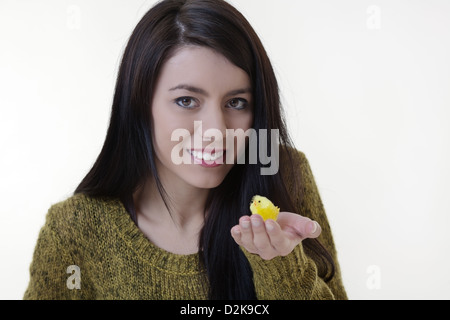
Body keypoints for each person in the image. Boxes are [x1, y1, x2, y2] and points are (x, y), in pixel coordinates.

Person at [24, 0, 347, 300]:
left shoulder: (281, 174)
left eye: (236, 102)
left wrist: (280, 264)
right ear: (139, 104)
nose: (217, 131)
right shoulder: (74, 228)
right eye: (186, 101)